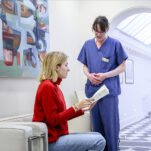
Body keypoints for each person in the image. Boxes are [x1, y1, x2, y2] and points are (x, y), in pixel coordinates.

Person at [32, 51, 106, 151]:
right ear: (56, 67)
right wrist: (76, 106)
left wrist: (83, 109)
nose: (68, 69)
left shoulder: (54, 86)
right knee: (99, 140)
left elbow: (61, 116)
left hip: (57, 137)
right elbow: (53, 120)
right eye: (66, 65)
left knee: (97, 135)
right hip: (50, 142)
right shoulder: (47, 87)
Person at [77, 16, 128, 151]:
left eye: (101, 32)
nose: (98, 35)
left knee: (110, 127)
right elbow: (85, 66)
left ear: (107, 29)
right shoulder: (88, 45)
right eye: (96, 32)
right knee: (96, 127)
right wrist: (89, 75)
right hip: (93, 91)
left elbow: (122, 67)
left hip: (108, 92)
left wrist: (105, 75)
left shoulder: (115, 44)